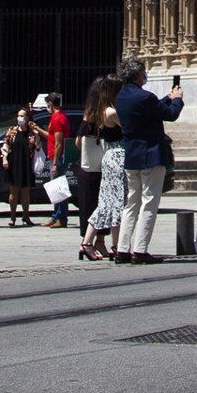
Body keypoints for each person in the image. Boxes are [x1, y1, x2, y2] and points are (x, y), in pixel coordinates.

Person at [115, 58, 184, 263]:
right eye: (144, 72)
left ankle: (123, 249)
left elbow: (151, 110)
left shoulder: (121, 97)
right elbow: (170, 115)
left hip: (132, 156)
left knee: (131, 203)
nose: (145, 75)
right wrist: (178, 99)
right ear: (138, 75)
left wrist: (167, 97)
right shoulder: (145, 97)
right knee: (149, 202)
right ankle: (140, 250)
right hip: (151, 155)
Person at [85, 77, 125, 260]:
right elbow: (129, 127)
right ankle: (116, 245)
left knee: (107, 203)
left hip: (110, 158)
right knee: (116, 203)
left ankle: (87, 243)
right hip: (117, 157)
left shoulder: (101, 110)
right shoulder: (111, 112)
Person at [76, 78, 108, 260]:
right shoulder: (102, 116)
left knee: (90, 206)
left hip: (87, 168)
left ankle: (97, 242)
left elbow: (78, 142)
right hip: (99, 168)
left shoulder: (87, 115)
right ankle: (92, 243)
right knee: (100, 205)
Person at [2, 105, 40, 227]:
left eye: (22, 116)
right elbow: (6, 145)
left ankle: (26, 216)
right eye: (19, 115)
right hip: (14, 163)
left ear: (28, 118)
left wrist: (37, 134)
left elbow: (38, 147)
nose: (20, 118)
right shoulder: (12, 131)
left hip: (27, 164)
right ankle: (12, 216)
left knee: (25, 192)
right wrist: (4, 158)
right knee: (13, 191)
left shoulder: (32, 133)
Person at [43, 91, 71, 227]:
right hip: (54, 157)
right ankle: (55, 216)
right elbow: (51, 137)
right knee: (55, 188)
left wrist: (54, 162)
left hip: (57, 158)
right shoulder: (55, 117)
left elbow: (59, 142)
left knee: (59, 189)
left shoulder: (58, 118)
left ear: (50, 103)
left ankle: (61, 217)